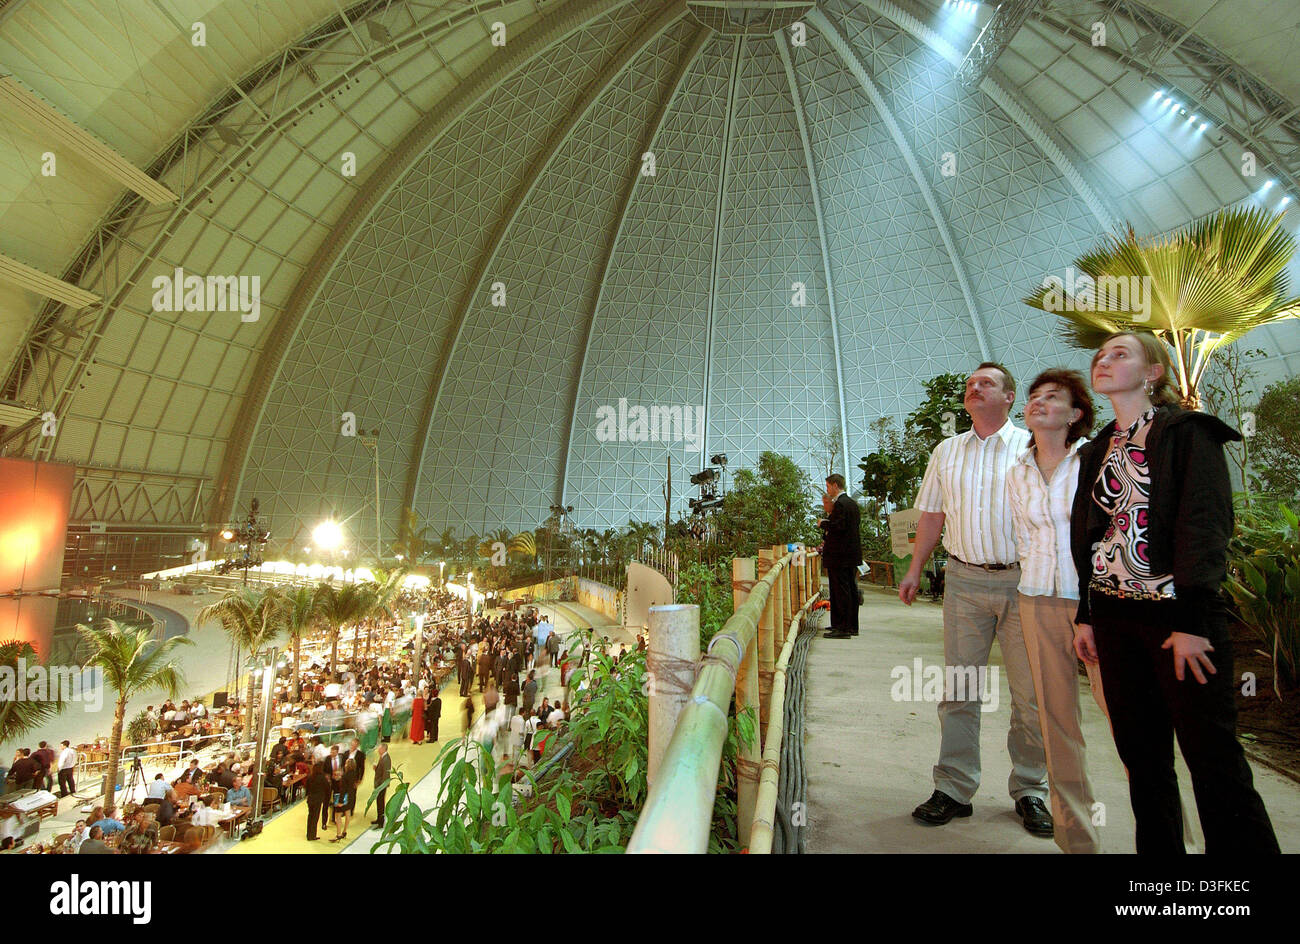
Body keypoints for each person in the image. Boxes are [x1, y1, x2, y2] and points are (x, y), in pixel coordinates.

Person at [1071, 332, 1279, 854]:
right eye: (1100, 355)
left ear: (1154, 372)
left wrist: (1190, 621)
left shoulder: (1187, 433)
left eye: (1120, 353)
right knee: (1143, 760)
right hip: (1114, 617)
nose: (1104, 360)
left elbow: (1204, 526)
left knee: (1213, 759)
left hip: (1177, 619)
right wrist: (1086, 613)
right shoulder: (1097, 448)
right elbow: (1090, 536)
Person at [899, 362, 1051, 837]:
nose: (974, 387)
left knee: (1031, 696)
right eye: (969, 383)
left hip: (1025, 583)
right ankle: (954, 788)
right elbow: (931, 516)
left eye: (986, 382)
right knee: (959, 690)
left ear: (1009, 398)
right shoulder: (946, 452)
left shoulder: (1035, 448)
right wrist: (915, 568)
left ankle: (1031, 790)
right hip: (963, 583)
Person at [1007, 368, 1106, 853]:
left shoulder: (1097, 463)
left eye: (1053, 397)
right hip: (1037, 600)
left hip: (1097, 603)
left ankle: (1169, 835)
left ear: (1076, 414)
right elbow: (1025, 540)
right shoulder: (1017, 472)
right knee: (1056, 722)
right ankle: (1077, 841)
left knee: (1126, 717)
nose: (1039, 403)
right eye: (1034, 397)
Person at [819, 473, 863, 639]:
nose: (827, 490)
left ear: (835, 485)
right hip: (849, 556)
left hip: (840, 556)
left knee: (841, 591)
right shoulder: (851, 504)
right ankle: (849, 625)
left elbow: (839, 528)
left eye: (828, 486)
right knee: (849, 590)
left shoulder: (841, 504)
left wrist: (823, 524)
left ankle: (843, 628)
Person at [305, 762, 329, 841]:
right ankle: (313, 835)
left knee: (310, 816)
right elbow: (327, 788)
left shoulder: (310, 777)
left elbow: (307, 788)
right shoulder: (322, 778)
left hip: (310, 799)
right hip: (318, 800)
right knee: (315, 818)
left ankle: (308, 834)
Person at [372, 743, 391, 828]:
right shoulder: (383, 757)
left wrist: (381, 786)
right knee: (379, 802)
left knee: (380, 803)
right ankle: (378, 819)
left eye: (379, 749)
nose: (378, 750)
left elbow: (386, 774)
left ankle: (381, 822)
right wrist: (376, 768)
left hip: (381, 785)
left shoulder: (386, 759)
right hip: (380, 784)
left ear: (383, 749)